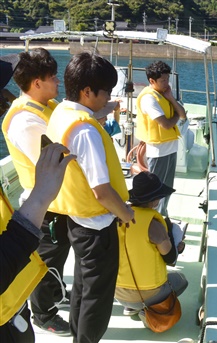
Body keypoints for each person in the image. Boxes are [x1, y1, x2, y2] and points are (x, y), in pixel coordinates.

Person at [45, 52, 135, 343]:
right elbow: (102, 190)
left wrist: (108, 105)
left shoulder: (63, 113)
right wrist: (126, 214)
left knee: (83, 288)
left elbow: (93, 111)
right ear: (87, 92)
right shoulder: (86, 131)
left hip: (76, 220)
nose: (108, 97)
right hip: (97, 226)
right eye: (106, 91)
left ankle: (77, 336)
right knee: (97, 297)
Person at [1, 48, 71, 336]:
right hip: (42, 206)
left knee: (55, 258)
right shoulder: (26, 122)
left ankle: (52, 296)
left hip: (54, 202)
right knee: (48, 259)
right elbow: (48, 163)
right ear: (37, 83)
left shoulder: (46, 108)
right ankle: (44, 314)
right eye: (52, 77)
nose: (58, 82)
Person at [115, 171, 187, 327]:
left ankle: (129, 307)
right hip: (147, 295)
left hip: (117, 293)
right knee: (181, 280)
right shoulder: (154, 225)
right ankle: (145, 311)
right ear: (154, 200)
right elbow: (170, 258)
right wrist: (177, 245)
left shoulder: (117, 216)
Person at [136, 61, 187, 217]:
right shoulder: (149, 99)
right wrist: (176, 116)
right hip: (158, 151)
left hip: (170, 148)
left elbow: (183, 114)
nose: (167, 83)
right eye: (163, 80)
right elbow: (165, 124)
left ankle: (162, 216)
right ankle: (153, 220)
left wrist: (171, 98)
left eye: (167, 79)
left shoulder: (164, 94)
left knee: (166, 188)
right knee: (155, 191)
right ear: (152, 81)